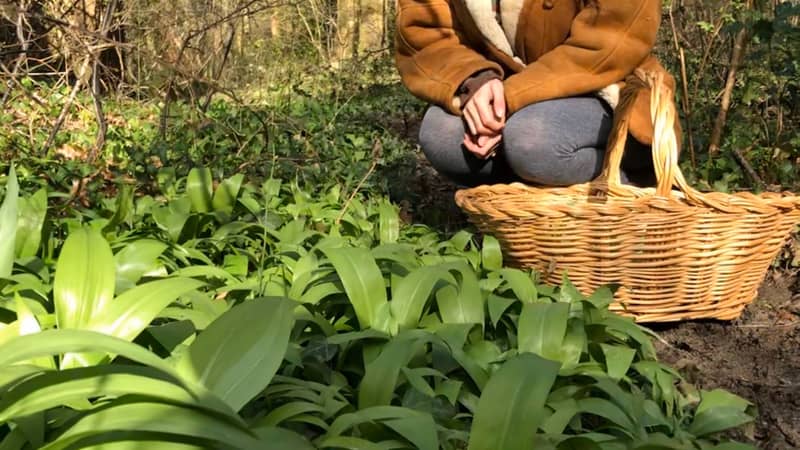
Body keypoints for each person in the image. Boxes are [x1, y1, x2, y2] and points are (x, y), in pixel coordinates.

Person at [395, 0, 680, 187]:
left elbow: (609, 42)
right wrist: (475, 81)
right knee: (441, 135)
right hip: (507, 94)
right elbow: (426, 33)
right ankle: (524, 210)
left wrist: (510, 97)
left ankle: (632, 190)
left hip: (607, 90)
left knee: (532, 140)